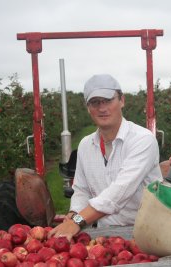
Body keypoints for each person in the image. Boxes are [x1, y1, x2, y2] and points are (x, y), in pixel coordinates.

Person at [48, 74, 162, 240]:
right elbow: (81, 190)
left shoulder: (142, 140)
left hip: (146, 235)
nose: (102, 108)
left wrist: (78, 221)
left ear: (122, 100)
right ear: (88, 107)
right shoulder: (85, 145)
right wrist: (73, 215)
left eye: (108, 100)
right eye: (95, 102)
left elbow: (119, 192)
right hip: (103, 236)